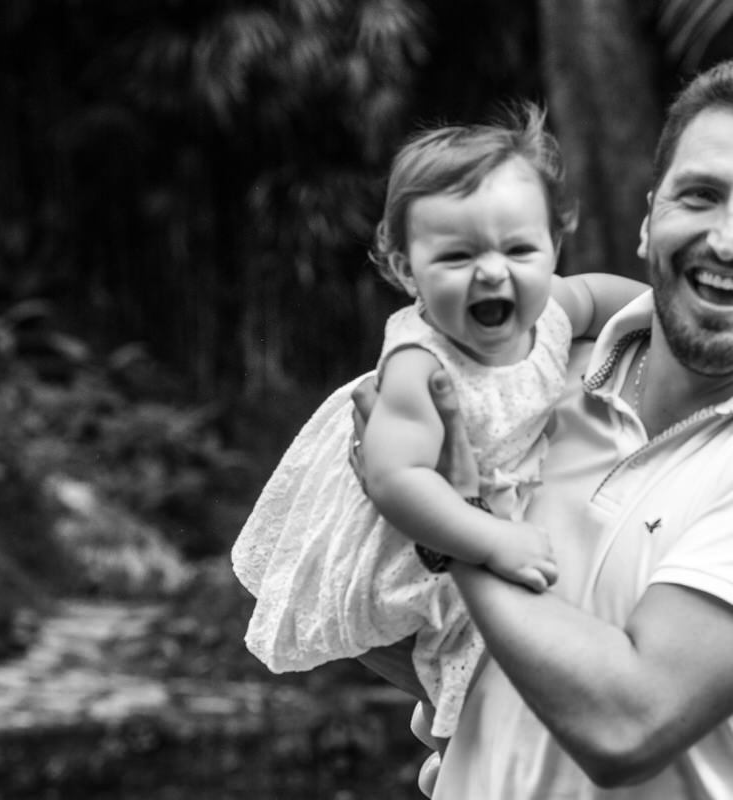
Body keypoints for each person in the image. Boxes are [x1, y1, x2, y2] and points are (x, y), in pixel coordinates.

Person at [351, 53, 733, 799]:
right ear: (651, 218)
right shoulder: (536, 377)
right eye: (700, 195)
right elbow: (428, 634)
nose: (730, 240)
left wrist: (452, 523)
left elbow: (627, 725)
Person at [231, 105, 646, 740]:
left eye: (519, 248)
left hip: (488, 488)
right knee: (477, 651)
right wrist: (490, 541)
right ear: (406, 270)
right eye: (457, 256)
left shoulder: (548, 310)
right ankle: (460, 738)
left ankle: (457, 730)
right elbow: (396, 480)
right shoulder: (419, 367)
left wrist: (663, 317)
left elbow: (594, 297)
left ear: (553, 245)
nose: (493, 271)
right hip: (416, 518)